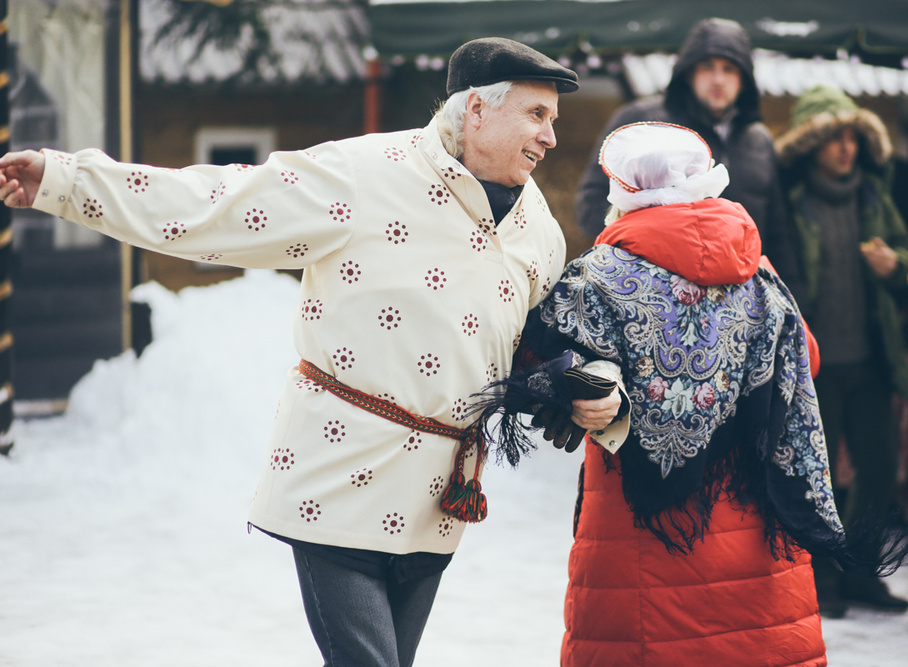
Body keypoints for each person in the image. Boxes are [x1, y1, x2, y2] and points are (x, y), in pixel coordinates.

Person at [0, 37, 623, 667]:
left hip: (440, 500)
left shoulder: (539, 230)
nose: (550, 137)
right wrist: (64, 181)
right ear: (477, 111)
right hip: (338, 481)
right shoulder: (366, 174)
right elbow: (212, 204)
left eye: (554, 121)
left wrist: (583, 384)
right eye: (536, 115)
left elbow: (544, 342)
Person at [484, 122, 908, 666]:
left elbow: (533, 360)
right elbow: (809, 359)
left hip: (639, 529)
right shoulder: (759, 271)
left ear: (623, 195)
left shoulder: (597, 276)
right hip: (755, 522)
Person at [774, 84, 908, 617]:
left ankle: (860, 573)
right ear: (812, 143)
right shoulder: (791, 203)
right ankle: (820, 581)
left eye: (853, 137)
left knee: (881, 472)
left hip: (872, 360)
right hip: (817, 368)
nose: (846, 148)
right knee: (821, 478)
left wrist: (895, 265)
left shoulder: (873, 195)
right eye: (835, 137)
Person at [574, 17, 802, 299]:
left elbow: (779, 231)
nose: (718, 79)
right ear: (688, 73)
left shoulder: (760, 140)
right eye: (707, 67)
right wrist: (642, 260)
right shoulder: (643, 122)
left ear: (744, 80)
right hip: (653, 294)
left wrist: (790, 298)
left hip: (741, 298)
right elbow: (592, 202)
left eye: (729, 69)